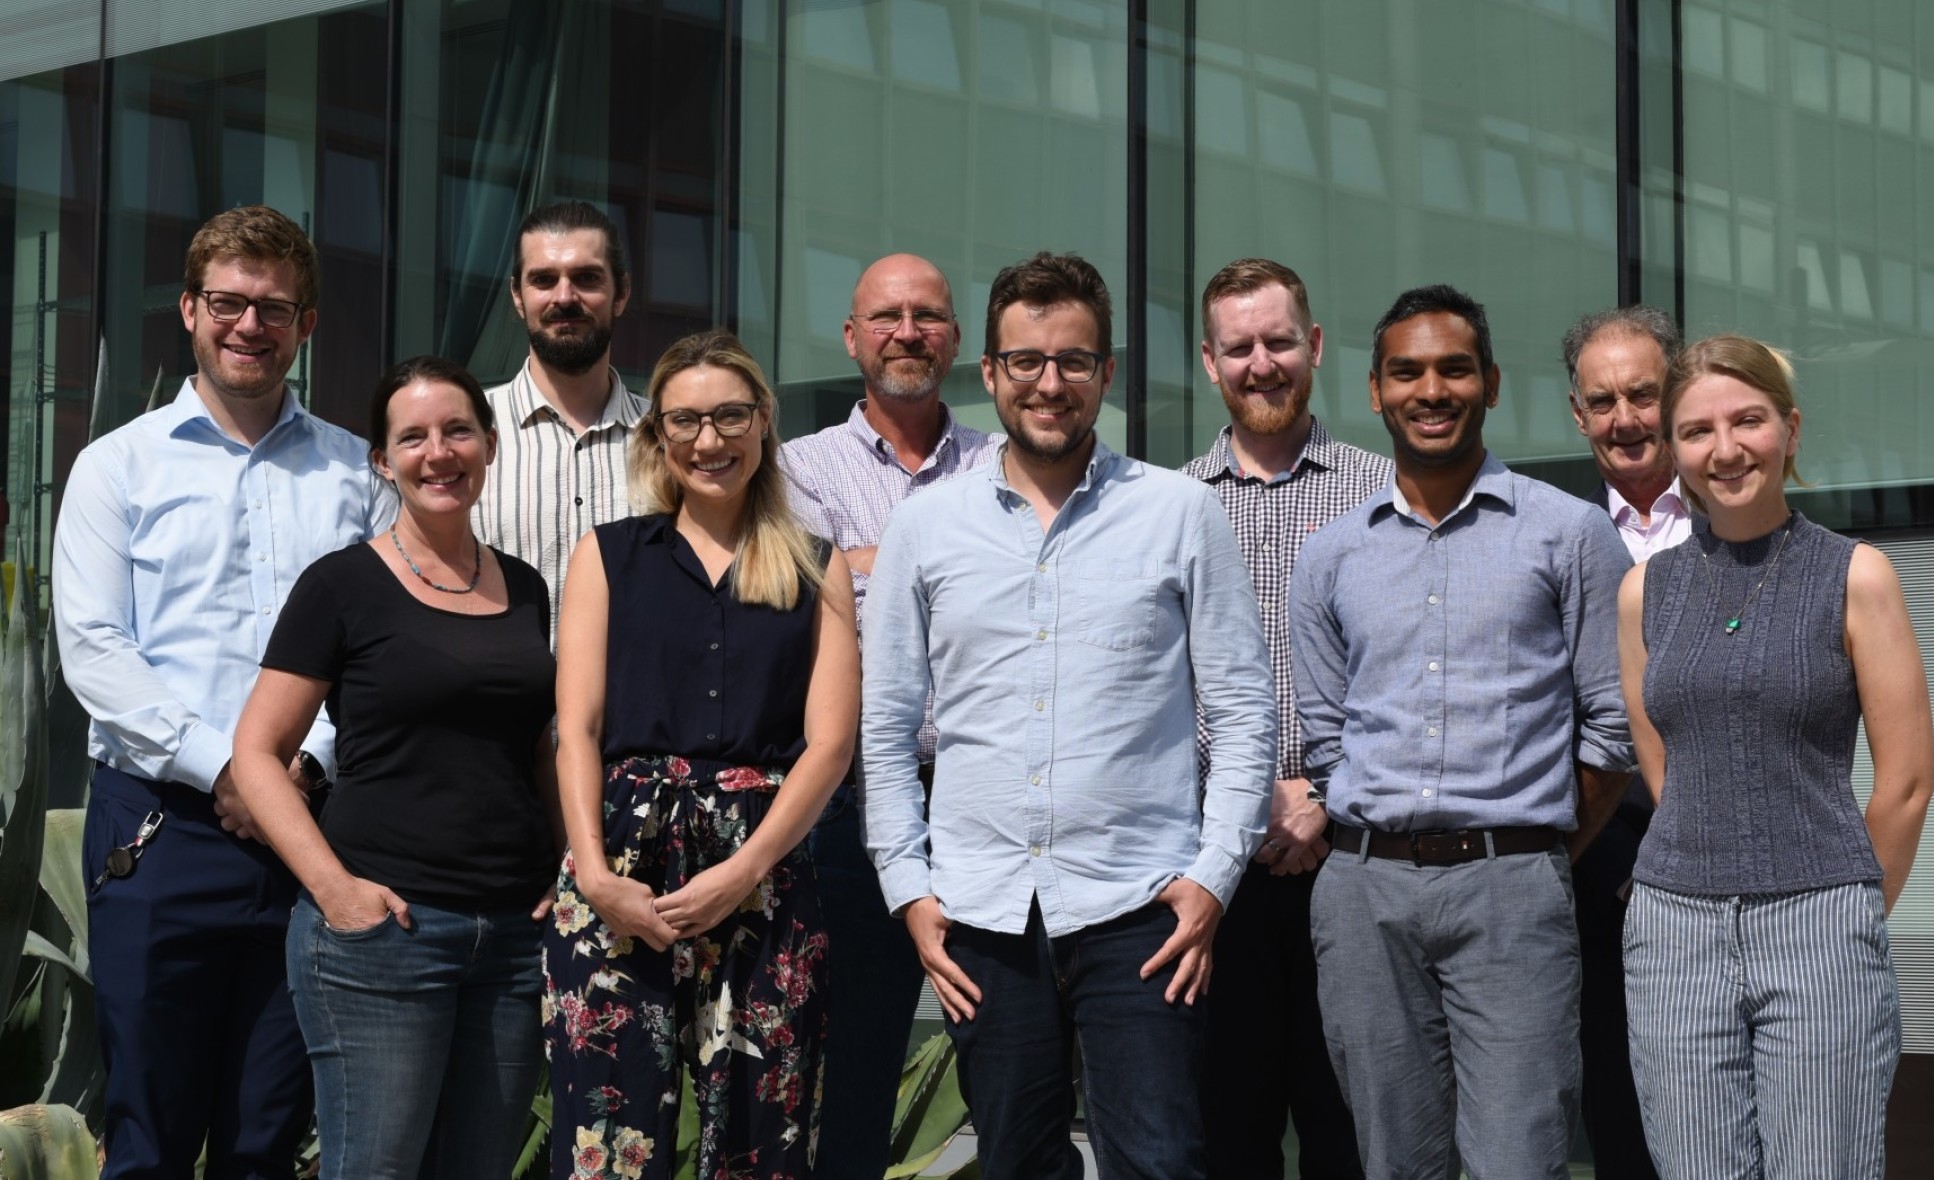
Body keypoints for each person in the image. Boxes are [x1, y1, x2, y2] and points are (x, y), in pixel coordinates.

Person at [864, 251, 1276, 1180]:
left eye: (1073, 362)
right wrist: (911, 892)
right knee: (1014, 1164)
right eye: (1027, 362)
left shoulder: (1181, 514)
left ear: (1106, 373)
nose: (1050, 385)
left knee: (1163, 1164)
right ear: (991, 373)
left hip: (1144, 913)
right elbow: (885, 728)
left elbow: (1245, 713)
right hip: (981, 916)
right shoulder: (925, 528)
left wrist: (1213, 877)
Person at [52, 205, 386, 1179]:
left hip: (311, 835)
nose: (251, 325)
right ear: (191, 309)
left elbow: (375, 646)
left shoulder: (356, 476)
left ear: (306, 324)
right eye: (230, 303)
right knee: (148, 1137)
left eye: (274, 307)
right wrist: (230, 770)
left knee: (265, 1137)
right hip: (159, 833)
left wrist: (302, 764)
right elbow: (93, 650)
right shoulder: (117, 466)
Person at [1287, 284, 1633, 1179]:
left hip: (1512, 888)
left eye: (1453, 369)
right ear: (1373, 391)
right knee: (1395, 1159)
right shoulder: (1330, 556)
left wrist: (1538, 850)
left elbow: (1613, 727)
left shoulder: (1571, 534)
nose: (1430, 390)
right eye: (1407, 372)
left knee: (1520, 1154)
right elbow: (1326, 739)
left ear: (1490, 383)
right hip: (1364, 897)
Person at [226, 356, 559, 1179]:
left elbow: (536, 744)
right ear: (383, 460)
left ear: (488, 444)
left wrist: (564, 862)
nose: (438, 452)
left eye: (457, 431)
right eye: (413, 437)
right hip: (385, 937)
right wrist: (336, 893)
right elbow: (256, 754)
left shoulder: (525, 588)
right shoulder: (341, 586)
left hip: (515, 938)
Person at [542, 329, 859, 1180]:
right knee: (606, 1143)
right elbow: (574, 728)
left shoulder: (814, 567)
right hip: (619, 868)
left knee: (763, 1141)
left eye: (729, 416)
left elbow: (829, 746)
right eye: (685, 420)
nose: (709, 441)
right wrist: (594, 874)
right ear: (658, 437)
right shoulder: (607, 557)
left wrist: (742, 872)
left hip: (765, 874)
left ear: (763, 423)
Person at [1617, 334, 1933, 1179]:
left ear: (1790, 429)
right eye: (1697, 430)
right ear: (1675, 449)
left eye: (1748, 420)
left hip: (1821, 926)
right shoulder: (1644, 589)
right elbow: (1664, 766)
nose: (1725, 449)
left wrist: (1848, 905)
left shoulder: (1855, 575)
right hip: (1673, 930)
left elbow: (1905, 782)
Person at [781, 252, 998, 1177]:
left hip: (990, 800)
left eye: (927, 315)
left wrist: (868, 564)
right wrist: (961, 567)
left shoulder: (1006, 460)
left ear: (957, 336)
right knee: (855, 1068)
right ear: (851, 337)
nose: (906, 332)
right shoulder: (797, 469)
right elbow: (799, 604)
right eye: (886, 317)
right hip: (854, 803)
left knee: (1006, 1064)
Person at [1182, 257, 1383, 1180]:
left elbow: (1418, 681)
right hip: (1213, 869)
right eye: (1239, 347)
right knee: (1228, 1127)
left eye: (1276, 342)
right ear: (1209, 362)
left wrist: (1324, 799)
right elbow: (1147, 687)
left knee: (1353, 1123)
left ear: (1313, 347)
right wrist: (1245, 799)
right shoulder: (1168, 504)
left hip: (1359, 858)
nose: (1260, 363)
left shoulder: (1387, 495)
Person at [1559, 304, 1684, 1180]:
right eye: (1602, 402)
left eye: (1642, 394)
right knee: (1619, 1122)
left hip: (1720, 868)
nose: (1625, 419)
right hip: (1595, 868)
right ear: (1576, 414)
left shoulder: (1737, 511)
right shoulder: (1554, 533)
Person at [473, 199, 647, 634]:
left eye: (586, 278)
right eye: (544, 280)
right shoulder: (461, 438)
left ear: (621, 292)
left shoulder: (671, 439)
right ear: (518, 296)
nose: (564, 297)